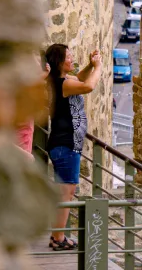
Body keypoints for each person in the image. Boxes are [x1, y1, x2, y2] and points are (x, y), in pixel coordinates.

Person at [44, 44, 105, 251]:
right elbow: (87, 86)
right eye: (69, 57)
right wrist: (98, 68)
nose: (72, 59)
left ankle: (56, 236)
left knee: (65, 192)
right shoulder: (62, 84)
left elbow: (80, 78)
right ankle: (58, 238)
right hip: (65, 145)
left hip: (65, 145)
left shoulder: (63, 81)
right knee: (66, 193)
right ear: (60, 63)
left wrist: (89, 65)